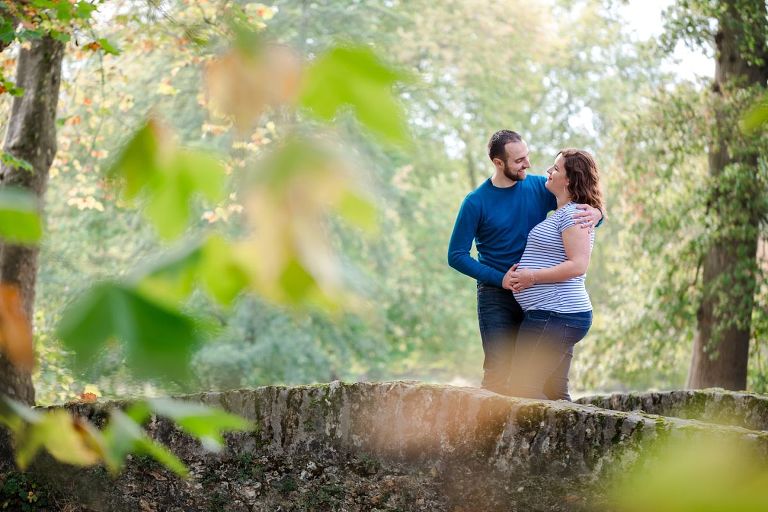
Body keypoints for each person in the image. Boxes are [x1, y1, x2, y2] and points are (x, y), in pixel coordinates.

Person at [447, 130, 603, 394]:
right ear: (498, 163)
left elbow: (577, 207)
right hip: (497, 294)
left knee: (549, 382)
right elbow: (457, 255)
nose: (527, 164)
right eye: (519, 160)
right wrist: (501, 279)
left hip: (544, 297)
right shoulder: (475, 202)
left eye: (527, 156)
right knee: (498, 375)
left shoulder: (538, 188)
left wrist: (597, 213)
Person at [506, 149, 603, 400]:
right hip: (557, 314)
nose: (549, 171)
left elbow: (578, 265)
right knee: (555, 392)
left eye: (556, 168)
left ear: (569, 179)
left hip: (556, 314)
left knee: (521, 388)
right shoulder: (566, 213)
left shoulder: (573, 214)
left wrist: (531, 277)